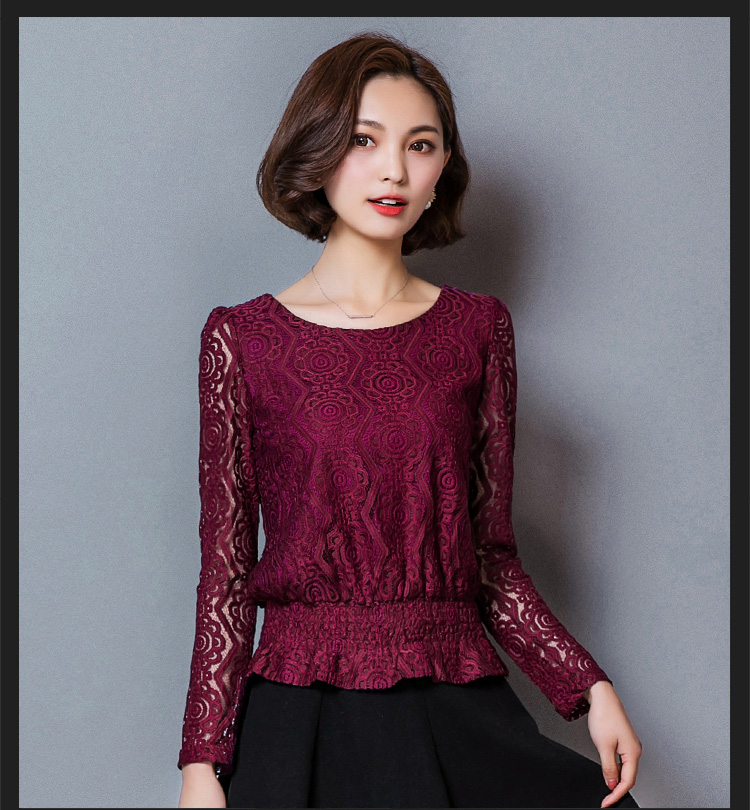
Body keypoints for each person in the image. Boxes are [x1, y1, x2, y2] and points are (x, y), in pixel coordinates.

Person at [176, 32, 642, 809]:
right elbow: (225, 579)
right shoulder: (242, 340)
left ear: (441, 170)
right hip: (299, 715)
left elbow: (491, 559)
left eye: (420, 145)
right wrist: (200, 762)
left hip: (454, 698)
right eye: (365, 140)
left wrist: (589, 688)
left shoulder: (477, 330)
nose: (394, 168)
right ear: (318, 148)